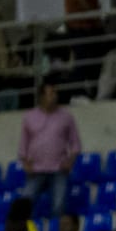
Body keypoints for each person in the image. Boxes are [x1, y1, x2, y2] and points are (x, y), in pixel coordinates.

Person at [17, 84, 82, 222]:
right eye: (50, 93)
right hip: (35, 171)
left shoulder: (66, 117)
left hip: (59, 170)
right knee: (25, 204)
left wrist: (70, 162)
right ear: (41, 97)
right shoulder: (29, 117)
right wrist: (25, 164)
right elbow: (23, 145)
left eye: (55, 93)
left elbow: (75, 144)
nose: (54, 96)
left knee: (59, 207)